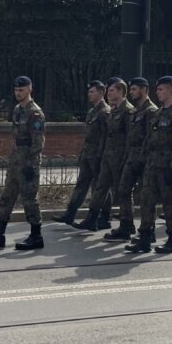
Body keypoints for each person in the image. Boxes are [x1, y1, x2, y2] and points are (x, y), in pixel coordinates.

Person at [0, 76, 46, 250]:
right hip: (15, 160)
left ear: (30, 89)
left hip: (29, 161)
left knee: (29, 199)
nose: (18, 93)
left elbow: (38, 142)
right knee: (7, 196)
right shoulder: (17, 110)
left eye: (21, 90)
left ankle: (36, 236)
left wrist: (31, 164)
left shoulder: (35, 113)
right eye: (16, 90)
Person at [125, 76, 172, 254]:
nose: (158, 92)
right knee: (146, 201)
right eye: (158, 89)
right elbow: (149, 140)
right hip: (152, 166)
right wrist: (143, 160)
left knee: (170, 204)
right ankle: (144, 239)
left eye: (161, 89)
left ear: (171, 91)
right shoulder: (159, 113)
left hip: (167, 167)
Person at [73, 78, 134, 231]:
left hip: (119, 158)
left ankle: (127, 224)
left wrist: (126, 158)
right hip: (107, 156)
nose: (109, 93)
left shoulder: (128, 110)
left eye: (112, 90)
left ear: (120, 92)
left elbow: (130, 138)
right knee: (100, 188)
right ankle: (91, 218)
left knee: (123, 191)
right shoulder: (113, 110)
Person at [105, 77, 158, 242]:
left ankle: (148, 231)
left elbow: (151, 138)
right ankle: (126, 225)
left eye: (135, 89)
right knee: (123, 190)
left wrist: (146, 159)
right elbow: (130, 136)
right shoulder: (137, 110)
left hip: (144, 159)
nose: (132, 92)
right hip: (131, 157)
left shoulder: (151, 111)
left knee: (146, 196)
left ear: (143, 90)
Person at [53, 80, 110, 224]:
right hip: (88, 154)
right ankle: (70, 213)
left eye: (92, 92)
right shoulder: (92, 112)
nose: (89, 94)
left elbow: (105, 137)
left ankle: (104, 216)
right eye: (89, 92)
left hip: (97, 155)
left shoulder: (105, 112)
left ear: (101, 93)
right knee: (82, 184)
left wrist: (101, 155)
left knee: (101, 186)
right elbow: (88, 135)